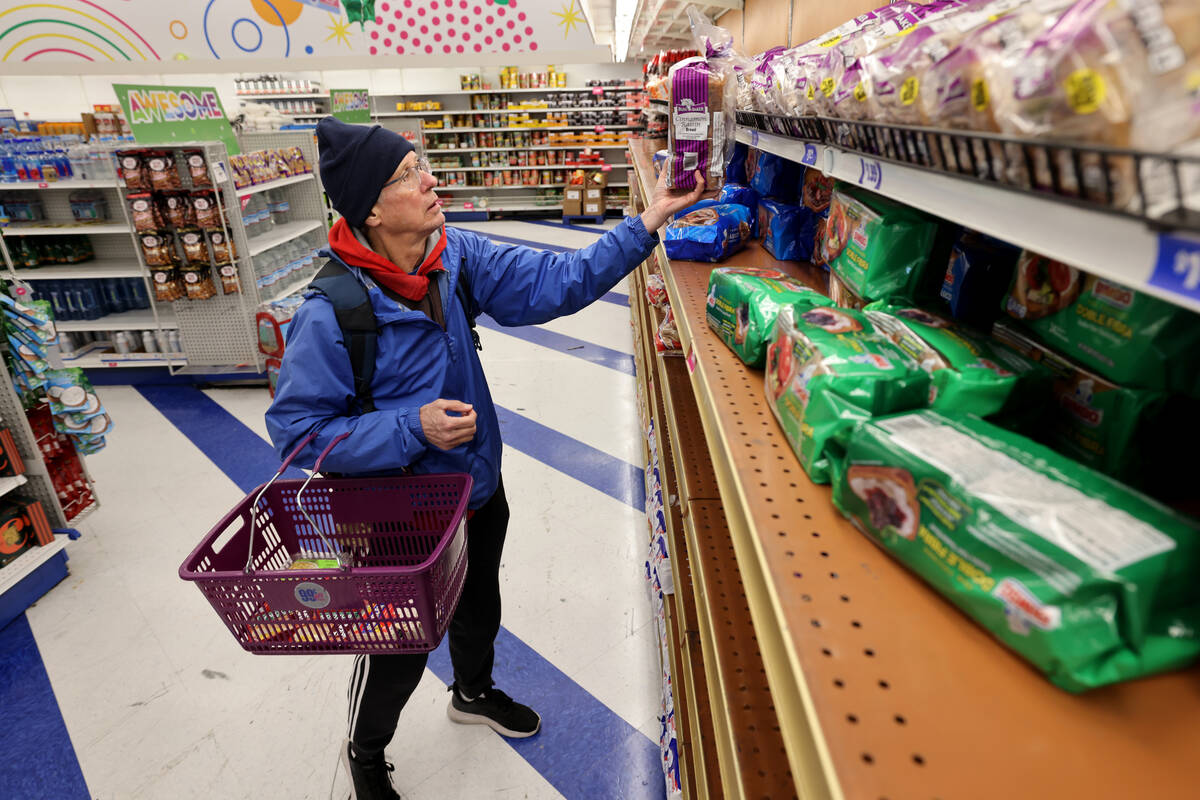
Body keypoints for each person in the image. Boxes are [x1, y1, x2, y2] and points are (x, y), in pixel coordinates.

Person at [265, 117, 704, 800]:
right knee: (399, 647)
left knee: (478, 603)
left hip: (473, 486)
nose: (430, 179)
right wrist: (411, 429)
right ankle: (366, 749)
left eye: (422, 164)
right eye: (407, 174)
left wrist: (647, 221)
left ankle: (472, 691)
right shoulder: (332, 312)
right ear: (372, 209)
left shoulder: (455, 256)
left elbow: (559, 282)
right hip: (395, 516)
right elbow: (297, 434)